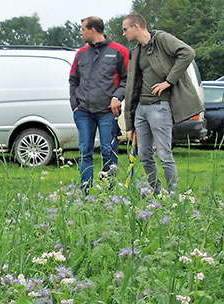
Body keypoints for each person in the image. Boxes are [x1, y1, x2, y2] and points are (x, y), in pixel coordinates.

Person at [121, 13, 201, 194]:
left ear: (136, 26)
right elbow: (133, 85)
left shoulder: (162, 39)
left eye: (125, 29)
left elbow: (188, 53)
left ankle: (174, 196)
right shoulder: (136, 51)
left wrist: (169, 81)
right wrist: (131, 119)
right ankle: (156, 193)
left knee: (164, 155)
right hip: (141, 108)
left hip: (160, 106)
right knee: (144, 155)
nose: (124, 34)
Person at [69, 16, 130, 191]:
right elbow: (73, 79)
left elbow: (127, 79)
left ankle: (109, 192)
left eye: (82, 29)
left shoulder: (119, 51)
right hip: (84, 112)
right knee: (85, 152)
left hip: (107, 112)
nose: (81, 33)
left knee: (108, 152)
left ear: (93, 30)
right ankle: (85, 191)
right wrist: (75, 104)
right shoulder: (81, 54)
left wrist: (117, 96)